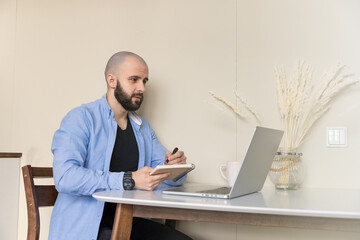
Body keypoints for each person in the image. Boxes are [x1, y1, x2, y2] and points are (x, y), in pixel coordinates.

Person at [49, 51, 192, 240]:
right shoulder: (81, 118)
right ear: (112, 80)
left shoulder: (142, 127)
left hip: (130, 220)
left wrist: (176, 168)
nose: (142, 88)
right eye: (134, 80)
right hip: (86, 227)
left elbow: (166, 176)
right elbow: (65, 176)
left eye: (144, 81)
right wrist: (129, 179)